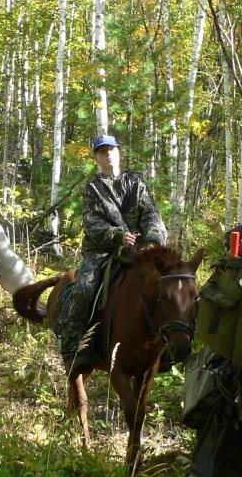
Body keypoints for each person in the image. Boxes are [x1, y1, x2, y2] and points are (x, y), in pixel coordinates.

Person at [57, 134, 168, 379]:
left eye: (111, 149)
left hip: (140, 249)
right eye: (102, 151)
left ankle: (169, 345)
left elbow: (151, 214)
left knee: (171, 283)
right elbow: (92, 222)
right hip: (103, 251)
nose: (108, 154)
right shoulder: (93, 188)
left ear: (119, 152)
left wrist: (152, 241)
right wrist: (117, 236)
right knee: (84, 289)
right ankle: (74, 348)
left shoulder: (136, 182)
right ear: (96, 157)